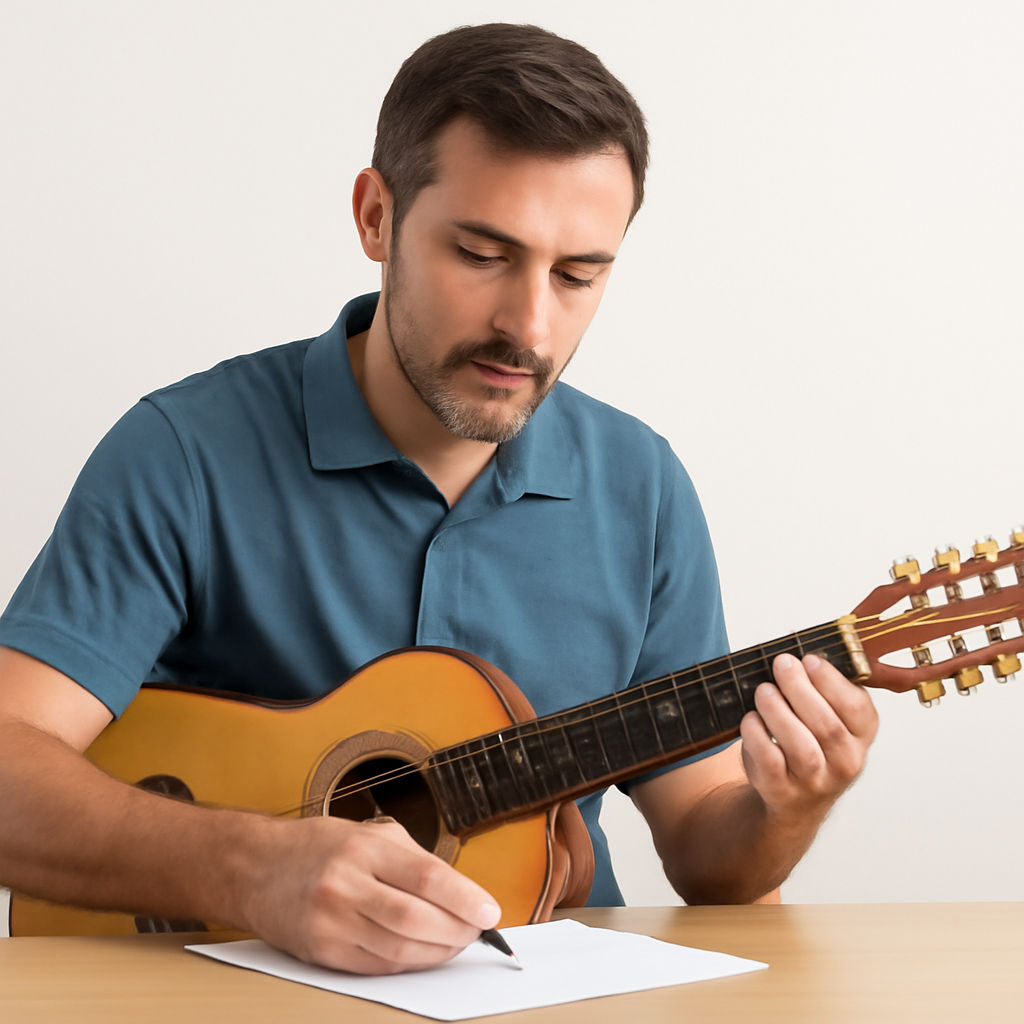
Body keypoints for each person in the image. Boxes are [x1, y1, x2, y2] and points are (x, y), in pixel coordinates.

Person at [0, 24, 877, 974]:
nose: (530, 325)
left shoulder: (644, 487)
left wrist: (786, 807)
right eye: (482, 253)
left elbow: (712, 859)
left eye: (578, 275)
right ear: (376, 217)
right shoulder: (184, 452)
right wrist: (246, 869)